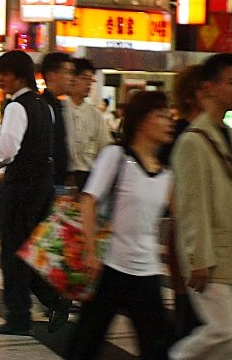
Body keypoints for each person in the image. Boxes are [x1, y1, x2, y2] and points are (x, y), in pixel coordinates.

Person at [70, 91, 174, 359]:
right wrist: (91, 253)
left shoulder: (165, 173)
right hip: (110, 268)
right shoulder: (116, 156)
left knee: (157, 348)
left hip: (147, 270)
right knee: (85, 346)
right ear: (141, 121)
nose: (169, 120)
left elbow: (179, 216)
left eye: (168, 114)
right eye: (160, 115)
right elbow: (88, 201)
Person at [169, 53, 232, 359]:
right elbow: (191, 206)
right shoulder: (192, 141)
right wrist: (196, 258)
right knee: (225, 331)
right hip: (211, 259)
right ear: (209, 88)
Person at [0, 50, 71, 336]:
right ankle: (52, 300)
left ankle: (19, 316)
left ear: (18, 75)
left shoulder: (16, 107)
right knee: (29, 252)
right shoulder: (43, 105)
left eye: (4, 75)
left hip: (21, 186)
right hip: (42, 186)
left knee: (13, 252)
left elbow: (7, 149)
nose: (0, 81)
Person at [158, 65, 205, 339]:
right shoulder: (178, 133)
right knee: (187, 306)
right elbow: (167, 181)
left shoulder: (219, 131)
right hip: (187, 229)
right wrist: (183, 219)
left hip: (210, 231)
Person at [63, 58, 110, 191]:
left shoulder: (95, 115)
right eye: (85, 78)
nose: (89, 84)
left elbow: (104, 149)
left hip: (88, 178)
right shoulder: (60, 109)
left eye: (91, 80)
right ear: (72, 78)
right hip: (63, 176)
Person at [40, 52, 74, 185]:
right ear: (51, 75)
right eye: (67, 72)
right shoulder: (44, 106)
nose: (71, 78)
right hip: (49, 182)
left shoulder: (57, 104)